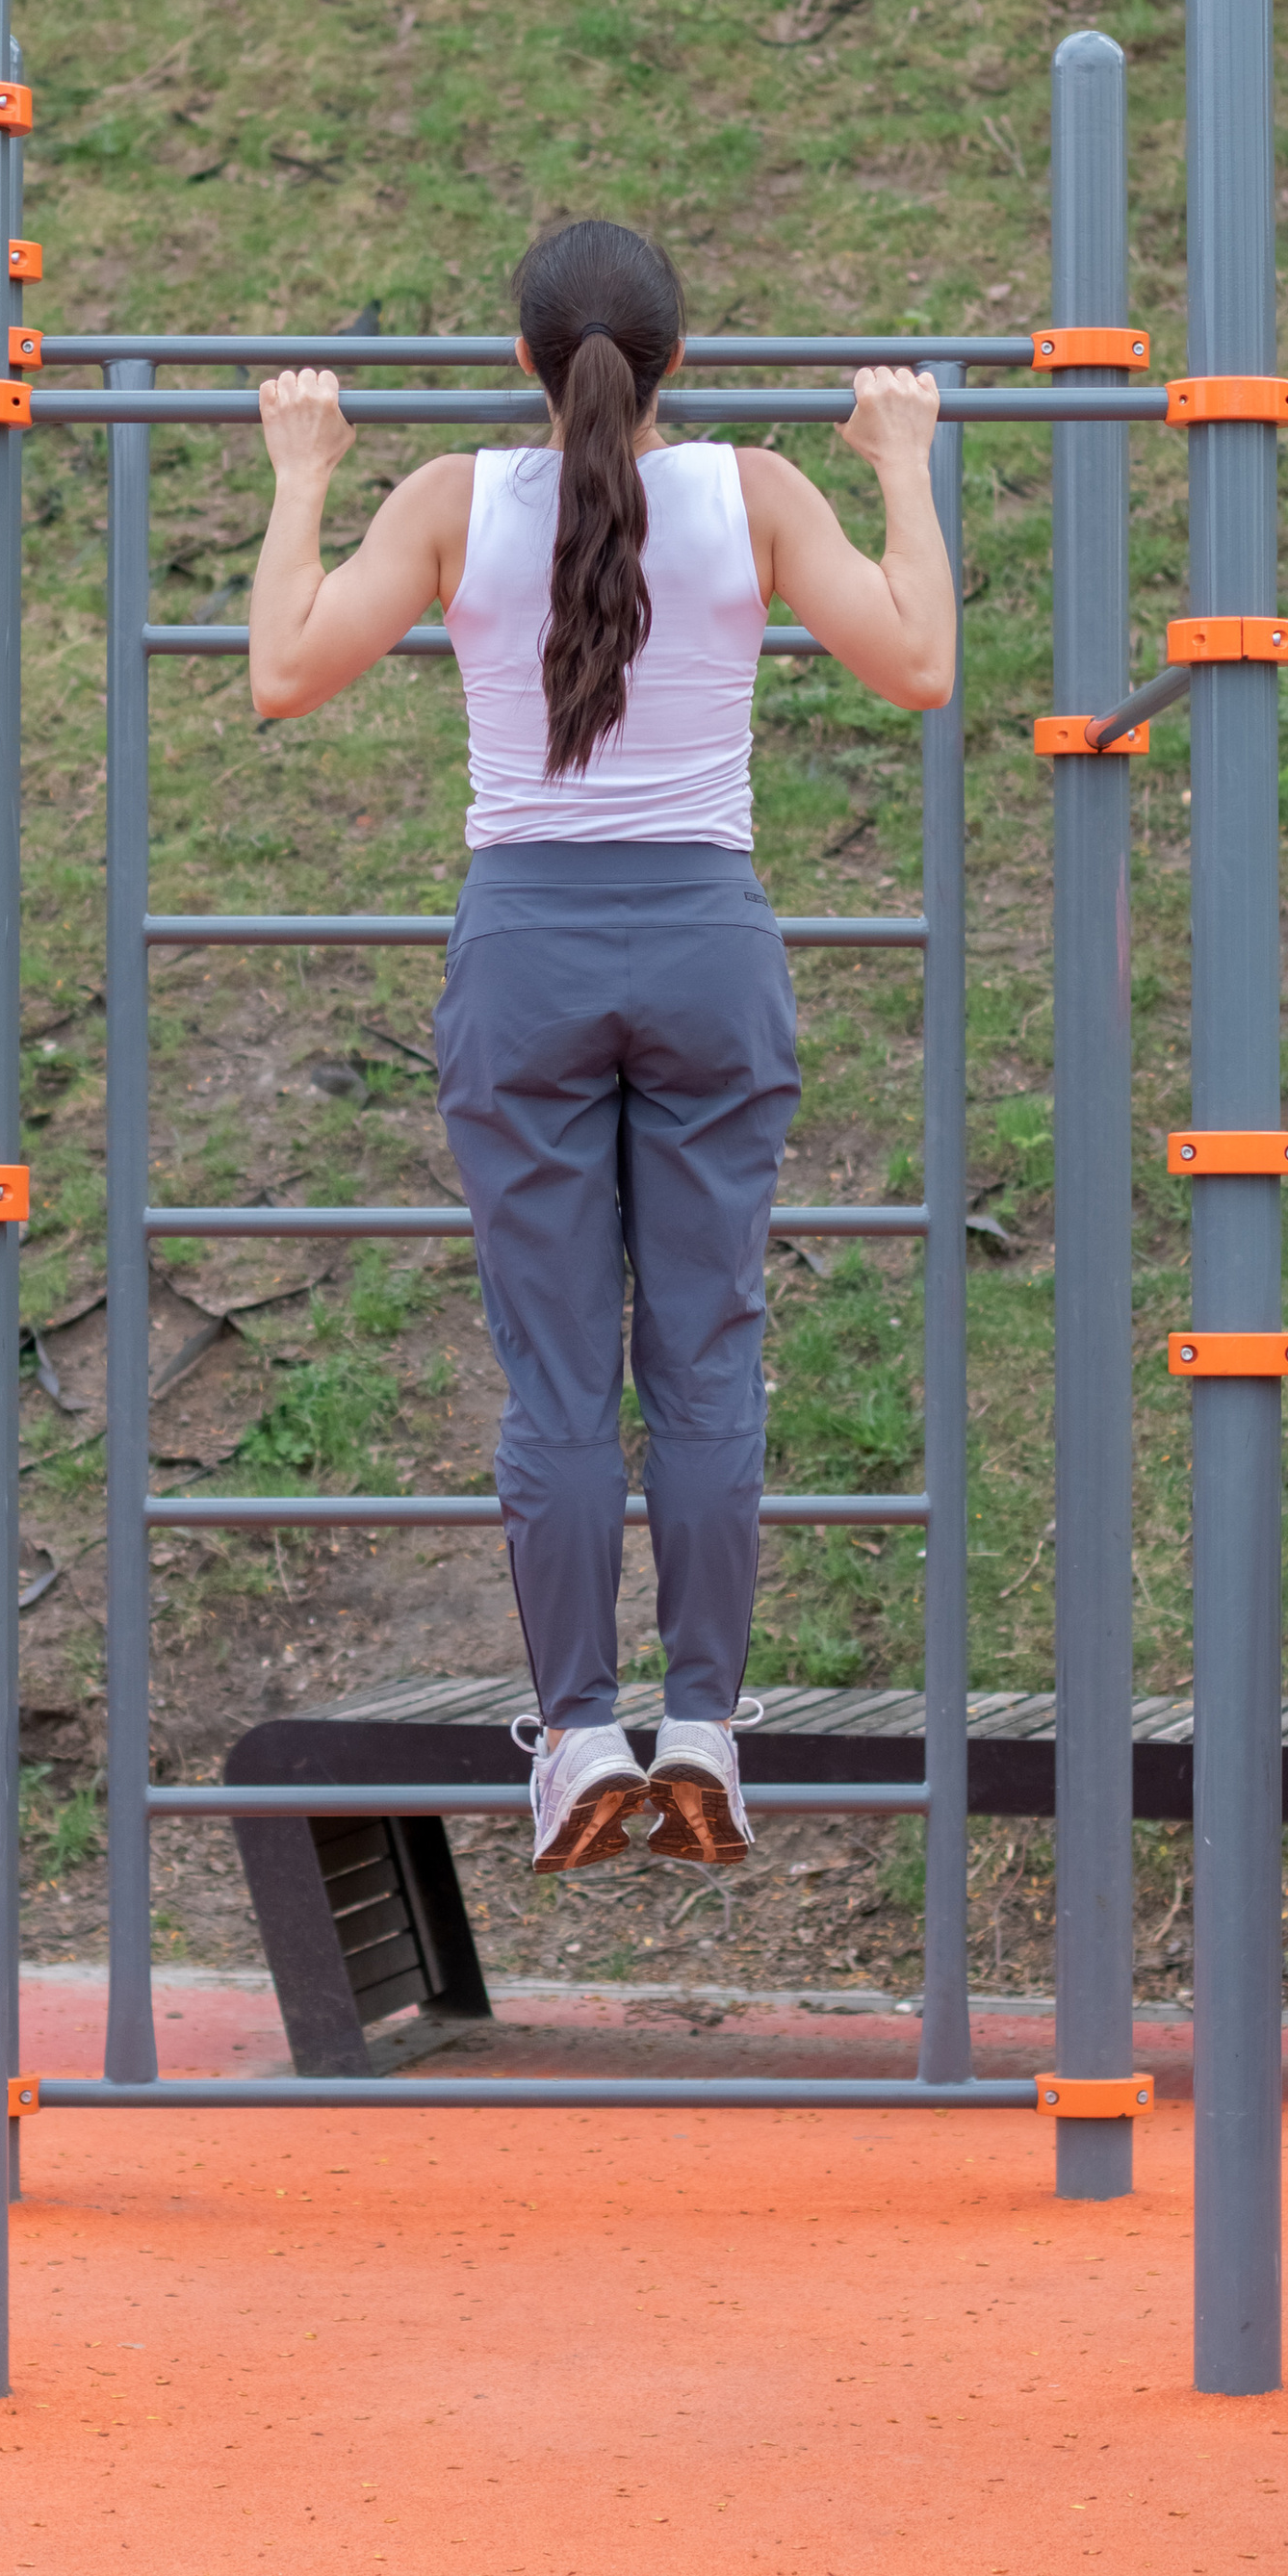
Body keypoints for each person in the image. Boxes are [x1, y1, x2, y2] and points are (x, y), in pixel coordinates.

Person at [247, 220, 954, 1874]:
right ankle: (700, 1721)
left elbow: (282, 671)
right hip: (709, 946)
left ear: (520, 369)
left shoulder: (446, 505)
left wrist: (300, 469)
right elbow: (919, 662)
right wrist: (904, 458)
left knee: (560, 1374)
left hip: (529, 957)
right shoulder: (757, 494)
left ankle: (577, 1737)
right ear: (677, 371)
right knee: (703, 1355)